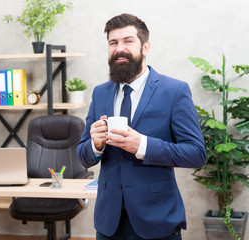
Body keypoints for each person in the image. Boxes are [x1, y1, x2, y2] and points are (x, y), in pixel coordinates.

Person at [76, 13, 206, 240]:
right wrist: (95, 145)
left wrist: (142, 145)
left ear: (145, 47)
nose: (119, 49)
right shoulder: (100, 93)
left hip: (157, 221)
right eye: (113, 43)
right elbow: (83, 155)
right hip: (108, 224)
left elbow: (196, 153)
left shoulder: (174, 91)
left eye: (128, 41)